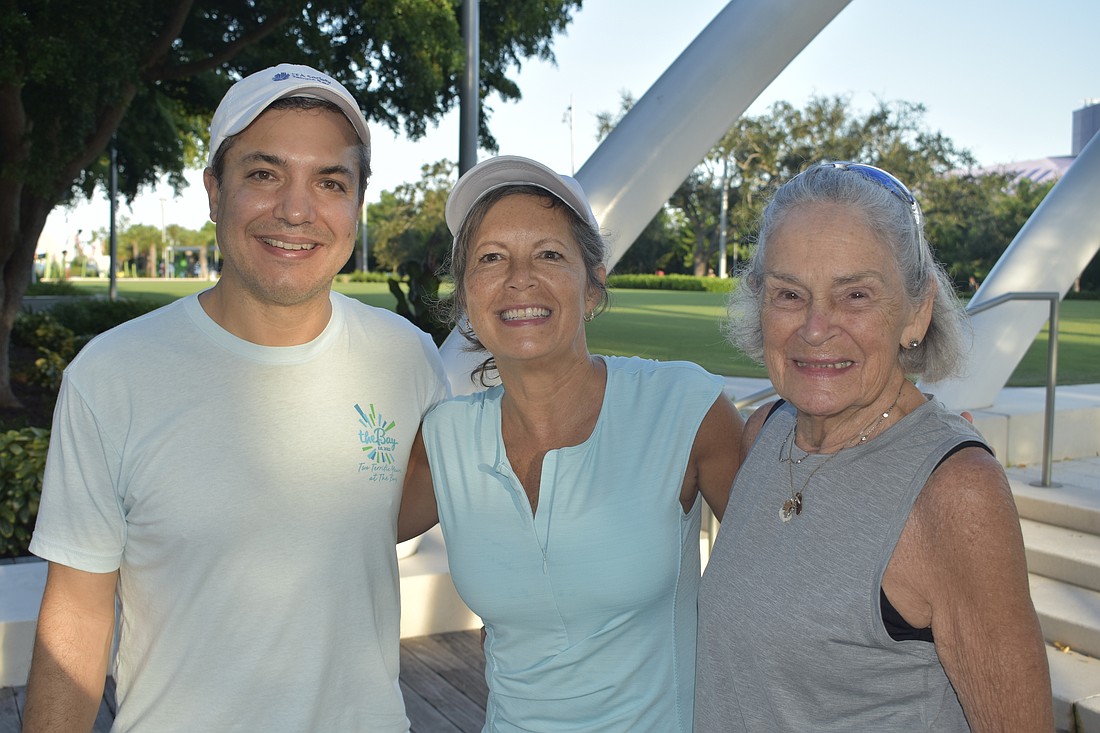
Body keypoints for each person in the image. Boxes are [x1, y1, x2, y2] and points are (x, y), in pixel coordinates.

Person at [23, 64, 449, 732]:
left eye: (329, 182)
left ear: (356, 208)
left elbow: (393, 507)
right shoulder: (112, 375)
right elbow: (76, 611)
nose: (296, 209)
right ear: (214, 191)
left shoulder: (407, 358)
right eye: (263, 173)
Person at [694, 161, 1053, 731]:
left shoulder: (955, 491)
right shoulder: (767, 433)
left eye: (855, 295)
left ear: (917, 310)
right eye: (790, 294)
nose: (815, 327)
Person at [398, 155, 744, 731]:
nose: (519, 277)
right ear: (465, 295)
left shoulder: (683, 408)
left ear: (593, 284)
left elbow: (794, 572)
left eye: (550, 254)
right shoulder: (445, 440)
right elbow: (333, 539)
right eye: (491, 258)